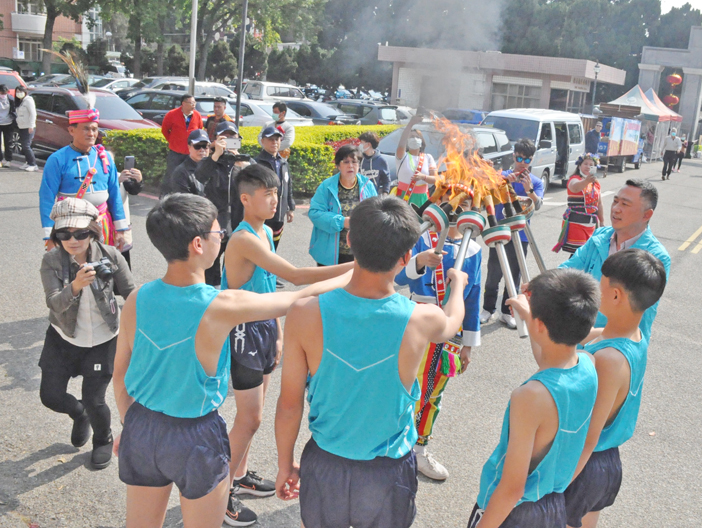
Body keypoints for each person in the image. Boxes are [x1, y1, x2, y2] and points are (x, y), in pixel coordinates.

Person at [112, 193, 350, 528]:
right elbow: (298, 297)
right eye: (216, 234)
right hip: (195, 435)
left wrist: (131, 423)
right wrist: (364, 268)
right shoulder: (220, 305)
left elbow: (120, 373)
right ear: (198, 243)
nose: (221, 239)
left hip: (142, 425)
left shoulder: (138, 297)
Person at [274, 196, 469, 528]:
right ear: (407, 256)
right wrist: (459, 286)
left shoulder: (304, 313)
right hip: (388, 470)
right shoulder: (421, 319)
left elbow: (289, 404)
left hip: (325, 462)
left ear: (349, 241)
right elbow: (452, 322)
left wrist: (284, 464)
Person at [221, 165, 353, 524]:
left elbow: (268, 290)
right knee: (249, 419)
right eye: (267, 193)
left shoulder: (264, 232)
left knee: (254, 417)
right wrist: (357, 267)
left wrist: (277, 332)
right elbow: (293, 277)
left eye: (277, 192)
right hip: (243, 332)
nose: (275, 198)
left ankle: (240, 476)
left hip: (264, 327)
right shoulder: (244, 238)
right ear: (245, 198)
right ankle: (221, 495)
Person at [469, 269, 600, 528]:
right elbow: (551, 361)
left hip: (514, 513)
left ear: (540, 326)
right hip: (552, 506)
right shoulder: (588, 364)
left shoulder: (530, 397)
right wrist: (531, 316)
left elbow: (512, 488)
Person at [563, 249, 667, 528]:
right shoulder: (634, 336)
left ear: (617, 295)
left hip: (583, 463)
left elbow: (588, 436)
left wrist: (554, 486)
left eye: (601, 282)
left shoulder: (609, 360)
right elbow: (582, 337)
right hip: (608, 462)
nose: (597, 287)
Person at [40, 198, 135, 470]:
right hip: (64, 337)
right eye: (64, 234)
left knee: (95, 400)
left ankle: (102, 439)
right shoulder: (51, 261)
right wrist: (76, 286)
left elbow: (131, 293)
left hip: (103, 339)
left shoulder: (110, 255)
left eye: (80, 233)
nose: (73, 239)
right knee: (50, 396)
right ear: (56, 235)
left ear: (92, 231)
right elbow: (54, 303)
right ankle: (78, 414)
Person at [394, 190, 482, 481]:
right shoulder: (423, 237)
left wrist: (468, 343)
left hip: (449, 332)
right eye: (456, 202)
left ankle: (419, 449)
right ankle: (393, 446)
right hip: (416, 323)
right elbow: (398, 278)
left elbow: (473, 297)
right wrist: (419, 260)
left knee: (433, 392)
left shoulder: (474, 250)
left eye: (467, 204)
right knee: (403, 387)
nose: (460, 208)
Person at [560, 179, 670, 340]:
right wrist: (540, 286)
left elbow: (640, 316)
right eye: (615, 201)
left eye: (625, 204)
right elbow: (568, 270)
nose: (616, 209)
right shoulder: (600, 236)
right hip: (579, 337)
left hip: (614, 347)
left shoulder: (655, 257)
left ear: (647, 214)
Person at [39, 108, 129, 250]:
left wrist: (120, 229)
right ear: (71, 131)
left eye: (94, 129)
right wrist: (50, 236)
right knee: (74, 267)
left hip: (102, 223)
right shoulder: (57, 159)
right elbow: (47, 198)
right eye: (86, 129)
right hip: (71, 227)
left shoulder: (104, 158)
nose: (91, 134)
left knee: (103, 265)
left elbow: (114, 194)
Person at [482, 138, 544, 328]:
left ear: (532, 160)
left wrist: (529, 191)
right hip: (500, 231)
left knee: (515, 275)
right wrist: (502, 183)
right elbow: (488, 198)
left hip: (522, 235)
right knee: (494, 273)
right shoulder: (503, 175)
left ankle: (507, 312)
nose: (522, 163)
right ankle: (487, 309)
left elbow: (538, 204)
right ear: (513, 155)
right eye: (519, 158)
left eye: (527, 160)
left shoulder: (536, 181)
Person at [196, 121, 253, 286]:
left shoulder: (244, 162)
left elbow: (261, 181)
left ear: (238, 139)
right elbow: (199, 176)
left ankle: (230, 299)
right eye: (224, 137)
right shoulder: (211, 162)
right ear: (216, 140)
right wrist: (215, 155)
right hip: (215, 222)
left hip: (238, 221)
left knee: (235, 266)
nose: (228, 141)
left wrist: (243, 166)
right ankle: (210, 299)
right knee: (210, 265)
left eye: (232, 137)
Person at [309, 144, 377, 266]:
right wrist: (342, 222)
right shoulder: (326, 186)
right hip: (330, 255)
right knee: (329, 285)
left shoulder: (368, 185)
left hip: (359, 254)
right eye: (346, 162)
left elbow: (376, 214)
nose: (351, 165)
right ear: (338, 165)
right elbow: (315, 214)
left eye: (354, 162)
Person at [553, 154, 604, 255]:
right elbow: (574, 188)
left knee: (587, 254)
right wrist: (586, 181)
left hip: (591, 223)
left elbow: (599, 203)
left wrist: (602, 221)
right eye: (585, 164)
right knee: (579, 254)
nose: (588, 166)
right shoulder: (574, 179)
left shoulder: (596, 183)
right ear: (579, 165)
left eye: (591, 165)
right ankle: (568, 270)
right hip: (576, 222)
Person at [254, 126, 294, 252]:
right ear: (263, 141)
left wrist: (290, 207)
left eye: (277, 139)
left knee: (273, 249)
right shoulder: (257, 163)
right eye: (271, 139)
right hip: (263, 213)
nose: (274, 142)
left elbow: (288, 185)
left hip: (279, 213)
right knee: (261, 248)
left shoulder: (283, 162)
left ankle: (269, 270)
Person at [394, 113, 437, 207]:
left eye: (417, 137)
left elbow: (435, 179)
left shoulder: (428, 158)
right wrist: (410, 124)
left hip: (422, 198)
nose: (414, 139)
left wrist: (423, 177)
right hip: (403, 196)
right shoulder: (402, 156)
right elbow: (401, 144)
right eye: (411, 137)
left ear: (421, 141)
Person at [161, 94, 203, 182]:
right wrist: (173, 141)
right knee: (172, 174)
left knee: (191, 175)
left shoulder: (197, 115)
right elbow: (165, 130)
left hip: (190, 153)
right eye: (191, 103)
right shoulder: (171, 114)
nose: (194, 105)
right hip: (176, 152)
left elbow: (199, 130)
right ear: (183, 103)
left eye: (194, 103)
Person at [161, 129, 209, 197]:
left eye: (205, 146)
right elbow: (186, 202)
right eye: (197, 146)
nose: (202, 150)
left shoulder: (214, 168)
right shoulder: (181, 172)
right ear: (189, 147)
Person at [116, 159, 143, 269]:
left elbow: (134, 190)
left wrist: (139, 180)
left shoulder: (121, 176)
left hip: (122, 227)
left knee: (123, 264)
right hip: (103, 227)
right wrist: (116, 182)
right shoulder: (95, 178)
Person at [14, 86, 37, 172]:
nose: (18, 93)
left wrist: (31, 125)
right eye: (17, 91)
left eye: (20, 91)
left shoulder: (28, 100)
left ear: (25, 91)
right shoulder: (20, 101)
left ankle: (33, 164)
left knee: (26, 146)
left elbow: (33, 114)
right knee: (24, 145)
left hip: (28, 127)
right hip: (21, 126)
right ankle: (28, 162)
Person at [0, 84, 15, 168]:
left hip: (8, 123)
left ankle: (8, 160)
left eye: (4, 93)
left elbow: (14, 110)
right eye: (2, 92)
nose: (3, 94)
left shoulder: (10, 99)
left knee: (8, 142)